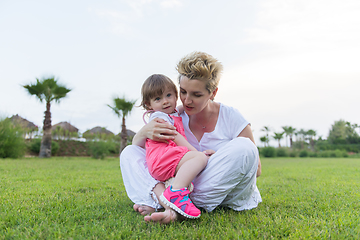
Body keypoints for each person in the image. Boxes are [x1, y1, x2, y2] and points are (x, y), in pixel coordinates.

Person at [120, 51, 262, 224]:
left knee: (245, 147)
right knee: (129, 152)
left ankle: (165, 201)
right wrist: (144, 132)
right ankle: (174, 203)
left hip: (215, 183)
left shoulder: (231, 116)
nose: (187, 101)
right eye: (183, 92)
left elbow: (256, 170)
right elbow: (142, 149)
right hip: (180, 184)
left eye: (197, 95)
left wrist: (214, 158)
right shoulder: (174, 115)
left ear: (213, 92)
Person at [140, 74, 214, 218]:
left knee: (184, 178)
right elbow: (175, 136)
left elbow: (181, 108)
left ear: (176, 96)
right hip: (163, 158)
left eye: (169, 95)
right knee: (199, 159)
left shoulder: (172, 114)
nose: (165, 101)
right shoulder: (159, 117)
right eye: (158, 99)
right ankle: (175, 192)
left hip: (164, 162)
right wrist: (199, 153)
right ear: (149, 104)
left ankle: (157, 205)